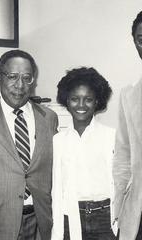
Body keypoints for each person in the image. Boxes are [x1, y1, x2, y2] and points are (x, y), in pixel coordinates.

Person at [0, 49, 58, 240]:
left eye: (26, 78)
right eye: (12, 77)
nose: (20, 85)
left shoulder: (49, 118)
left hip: (41, 220)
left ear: (33, 81)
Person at [51, 67, 116, 240]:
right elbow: (57, 190)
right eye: (74, 99)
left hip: (105, 219)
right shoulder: (58, 141)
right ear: (66, 101)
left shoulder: (111, 137)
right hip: (71, 217)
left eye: (88, 99)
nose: (81, 105)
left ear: (97, 102)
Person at [112, 10, 142, 240]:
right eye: (141, 39)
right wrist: (119, 207)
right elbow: (123, 156)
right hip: (138, 210)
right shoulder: (128, 95)